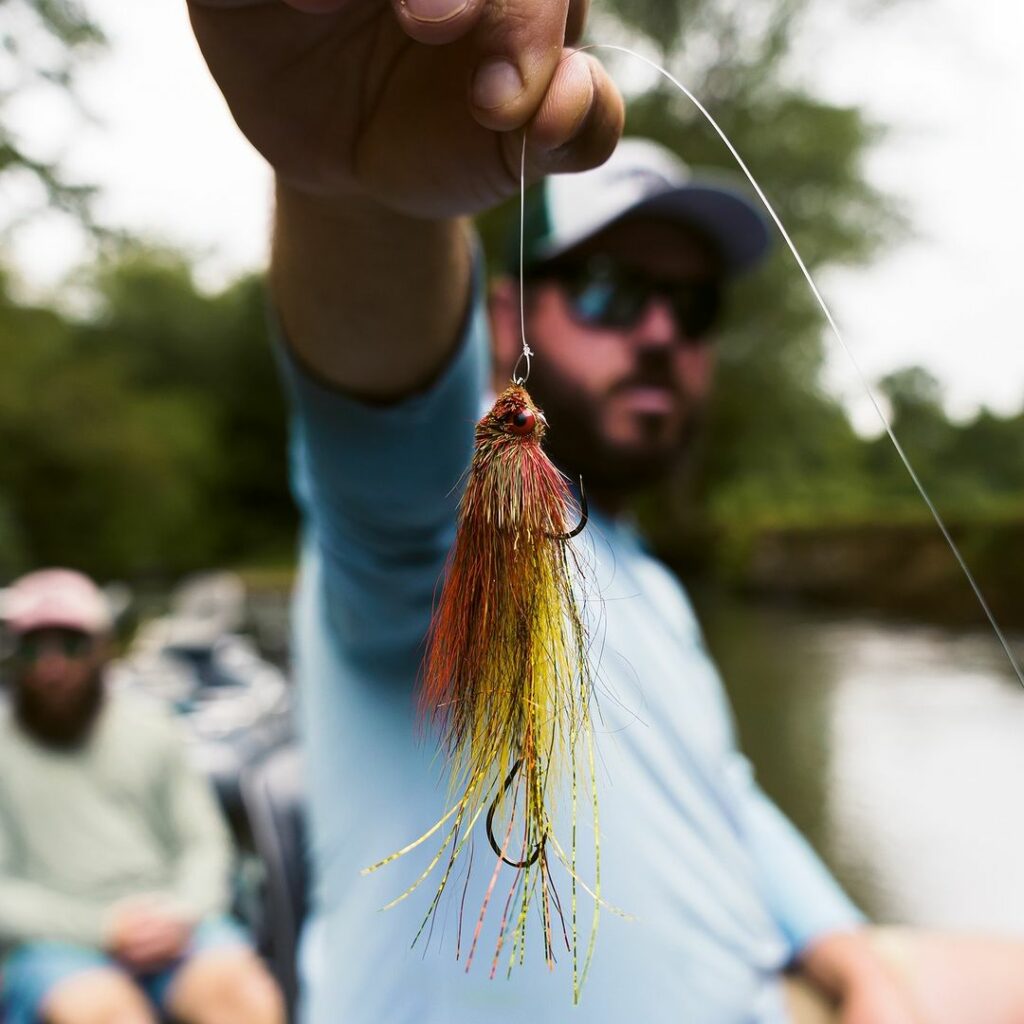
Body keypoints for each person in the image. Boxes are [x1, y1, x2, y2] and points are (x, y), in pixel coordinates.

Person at [185, 2, 1024, 1021]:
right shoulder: (439, 537)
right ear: (508, 318)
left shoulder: (652, 585)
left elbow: (720, 789)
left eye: (694, 303)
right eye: (613, 291)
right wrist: (357, 196)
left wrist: (847, 949)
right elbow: (377, 419)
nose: (662, 332)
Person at [0, 569, 285, 1024]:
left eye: (70, 644)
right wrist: (101, 928)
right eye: (35, 647)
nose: (52, 665)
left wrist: (181, 913)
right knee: (105, 1013)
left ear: (101, 648)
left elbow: (204, 844)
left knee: (244, 998)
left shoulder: (152, 728)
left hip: (176, 924)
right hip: (55, 946)